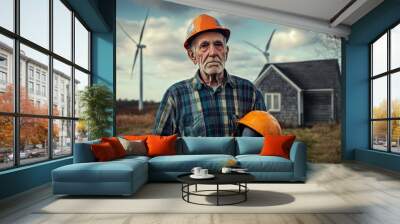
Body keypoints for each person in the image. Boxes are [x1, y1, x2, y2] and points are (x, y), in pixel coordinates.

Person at [153, 14, 266, 136]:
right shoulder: (175, 96)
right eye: (204, 46)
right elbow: (159, 146)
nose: (212, 52)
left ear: (226, 52)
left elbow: (265, 137)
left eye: (218, 45)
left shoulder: (250, 91)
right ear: (192, 55)